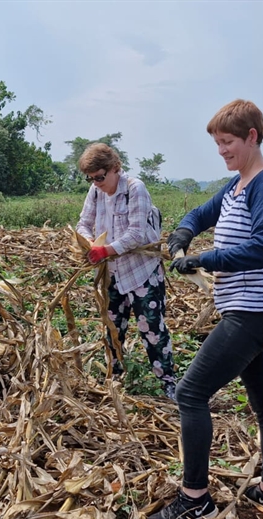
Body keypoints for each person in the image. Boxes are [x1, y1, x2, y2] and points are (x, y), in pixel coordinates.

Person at [146, 99, 263, 519]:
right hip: (260, 310)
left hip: (253, 313)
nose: (221, 151)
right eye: (217, 143)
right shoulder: (238, 184)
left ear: (251, 137)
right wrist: (182, 237)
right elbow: (199, 214)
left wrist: (204, 259)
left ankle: (195, 499)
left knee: (190, 394)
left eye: (227, 142)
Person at [75, 143, 177, 401]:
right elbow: (83, 223)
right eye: (91, 178)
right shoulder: (96, 192)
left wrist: (106, 250)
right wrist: (89, 243)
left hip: (142, 272)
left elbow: (136, 234)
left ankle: (167, 382)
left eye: (100, 177)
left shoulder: (135, 189)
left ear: (115, 169)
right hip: (112, 273)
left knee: (152, 329)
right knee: (112, 328)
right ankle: (114, 376)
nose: (96, 183)